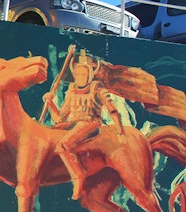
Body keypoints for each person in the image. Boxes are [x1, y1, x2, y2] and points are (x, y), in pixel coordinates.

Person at [43, 49, 125, 200]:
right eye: (78, 74)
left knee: (62, 146)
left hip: (90, 123)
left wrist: (120, 129)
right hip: (72, 124)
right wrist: (49, 104)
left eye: (84, 73)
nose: (80, 77)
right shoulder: (71, 89)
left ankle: (78, 176)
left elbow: (112, 109)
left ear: (89, 73)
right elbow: (59, 119)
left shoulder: (97, 88)